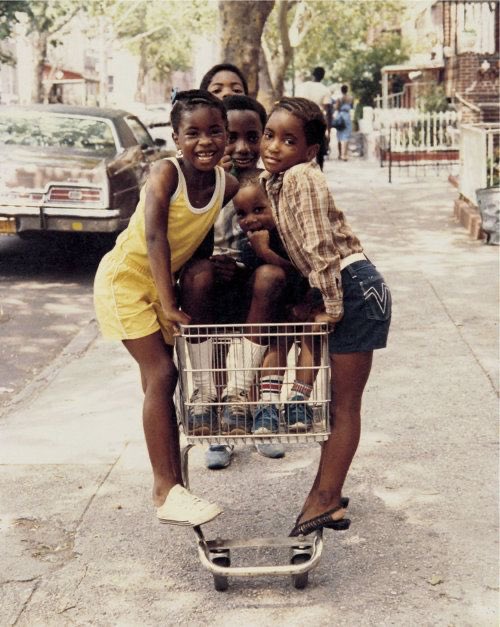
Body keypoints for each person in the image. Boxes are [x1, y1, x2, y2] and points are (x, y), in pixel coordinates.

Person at [93, 90, 239, 527]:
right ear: (176, 137)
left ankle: (175, 486)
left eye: (215, 131)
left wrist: (206, 268)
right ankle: (164, 488)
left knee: (164, 381)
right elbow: (156, 236)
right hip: (125, 281)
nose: (205, 141)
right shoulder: (164, 173)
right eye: (192, 133)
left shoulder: (225, 184)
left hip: (162, 285)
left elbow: (199, 231)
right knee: (162, 374)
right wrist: (171, 301)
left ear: (227, 135)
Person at [260, 97, 392, 536]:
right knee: (339, 403)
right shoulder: (277, 180)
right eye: (270, 135)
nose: (274, 146)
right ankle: (325, 492)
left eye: (289, 140)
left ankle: (325, 498)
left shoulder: (300, 177)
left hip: (354, 288)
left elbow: (319, 248)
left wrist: (331, 307)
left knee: (343, 404)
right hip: (349, 285)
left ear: (310, 149)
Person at [179, 86, 286, 466]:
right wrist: (211, 261)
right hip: (211, 286)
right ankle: (214, 417)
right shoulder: (207, 180)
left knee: (271, 277)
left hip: (257, 283)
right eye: (233, 137)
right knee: (198, 274)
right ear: (221, 135)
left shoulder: (272, 184)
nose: (242, 147)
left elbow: (286, 243)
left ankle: (245, 403)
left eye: (252, 137)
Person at [234, 169, 329, 434]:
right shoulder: (248, 245)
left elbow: (305, 271)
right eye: (241, 214)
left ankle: (299, 398)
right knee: (279, 334)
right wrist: (257, 253)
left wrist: (267, 252)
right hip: (279, 310)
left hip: (309, 299)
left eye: (258, 209)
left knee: (312, 331)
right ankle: (269, 403)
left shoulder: (294, 235)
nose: (250, 220)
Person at [296, 67, 332, 168]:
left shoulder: (302, 87)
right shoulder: (325, 90)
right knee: (319, 148)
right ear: (323, 76)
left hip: (301, 119)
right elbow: (328, 111)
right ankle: (320, 171)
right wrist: (328, 131)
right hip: (316, 122)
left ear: (312, 74)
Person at [335, 84, 353, 161]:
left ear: (341, 90)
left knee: (339, 135)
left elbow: (337, 107)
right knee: (346, 136)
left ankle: (340, 154)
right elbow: (352, 107)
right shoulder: (351, 98)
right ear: (347, 90)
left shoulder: (339, 98)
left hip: (340, 116)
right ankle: (344, 155)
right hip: (347, 116)